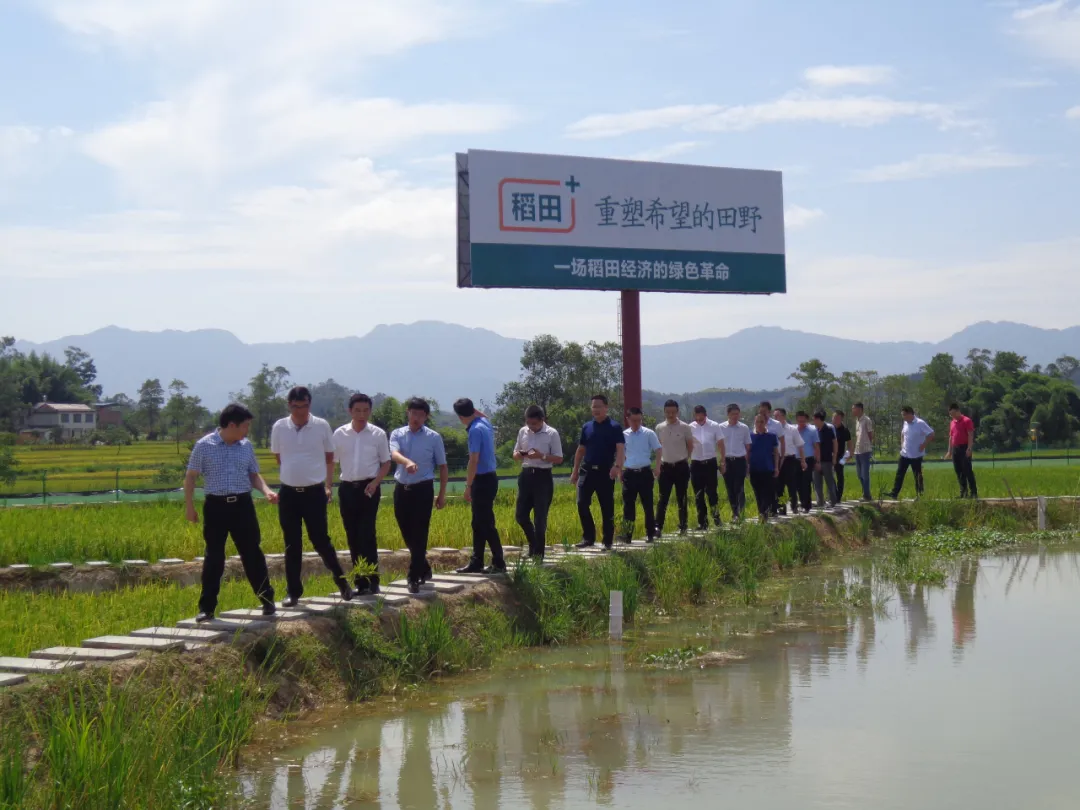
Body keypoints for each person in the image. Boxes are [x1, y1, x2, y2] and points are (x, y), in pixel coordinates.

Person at [185, 403, 276, 622]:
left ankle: (267, 600)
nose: (247, 431)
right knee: (214, 556)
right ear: (232, 425)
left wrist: (266, 490)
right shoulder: (204, 445)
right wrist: (190, 506)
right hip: (215, 506)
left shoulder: (246, 446)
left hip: (242, 505)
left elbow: (254, 474)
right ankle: (207, 608)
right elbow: (191, 476)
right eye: (245, 426)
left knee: (252, 553)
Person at [271, 386, 354, 606]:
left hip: (314, 492)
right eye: (296, 406)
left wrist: (327, 485)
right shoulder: (280, 427)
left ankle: (342, 582)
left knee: (320, 541)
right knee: (292, 544)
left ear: (310, 404)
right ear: (289, 405)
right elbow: (279, 457)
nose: (301, 411)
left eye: (305, 406)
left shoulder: (321, 426)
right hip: (288, 493)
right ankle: (293, 592)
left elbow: (329, 457)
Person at [333, 393, 391, 595]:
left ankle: (373, 580)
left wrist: (376, 482)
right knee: (352, 535)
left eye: (366, 410)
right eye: (357, 410)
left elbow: (386, 462)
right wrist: (326, 486)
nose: (362, 414)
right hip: (347, 487)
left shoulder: (378, 434)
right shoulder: (340, 434)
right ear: (350, 411)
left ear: (370, 411)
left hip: (369, 487)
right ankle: (360, 582)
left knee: (367, 534)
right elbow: (331, 461)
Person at [389, 398, 449, 592]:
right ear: (408, 412)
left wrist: (441, 494)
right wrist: (407, 462)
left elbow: (442, 466)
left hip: (423, 488)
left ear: (426, 416)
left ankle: (413, 576)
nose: (416, 418)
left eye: (421, 415)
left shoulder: (433, 437)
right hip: (402, 488)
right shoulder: (397, 433)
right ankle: (423, 565)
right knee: (406, 530)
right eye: (414, 413)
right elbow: (394, 454)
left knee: (420, 532)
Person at [454, 398, 506, 574]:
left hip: (482, 480)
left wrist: (468, 485)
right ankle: (476, 561)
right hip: (490, 478)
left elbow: (473, 460)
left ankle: (499, 561)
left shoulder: (474, 431)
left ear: (460, 417)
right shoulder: (484, 423)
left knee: (485, 523)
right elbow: (482, 414)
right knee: (477, 522)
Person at [570, 394, 625, 549]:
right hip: (587, 471)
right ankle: (588, 537)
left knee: (607, 507)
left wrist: (617, 466)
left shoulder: (614, 427)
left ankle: (607, 540)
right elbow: (580, 450)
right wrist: (574, 471)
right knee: (581, 503)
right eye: (593, 407)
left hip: (605, 472)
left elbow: (620, 449)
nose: (596, 410)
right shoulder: (586, 427)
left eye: (599, 406)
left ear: (606, 408)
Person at [513, 405, 563, 559]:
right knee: (521, 515)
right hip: (526, 475)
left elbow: (559, 458)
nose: (531, 426)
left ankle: (538, 554)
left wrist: (542, 456)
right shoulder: (523, 431)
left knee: (540, 518)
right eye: (528, 423)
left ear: (542, 420)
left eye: (534, 423)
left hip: (543, 477)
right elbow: (515, 453)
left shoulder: (551, 433)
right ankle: (533, 544)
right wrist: (521, 454)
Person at [620, 407, 662, 543]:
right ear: (628, 420)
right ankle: (627, 535)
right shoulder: (624, 435)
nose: (636, 423)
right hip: (629, 473)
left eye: (639, 420)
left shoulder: (648, 433)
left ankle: (650, 533)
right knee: (628, 506)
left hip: (644, 472)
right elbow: (620, 454)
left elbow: (658, 450)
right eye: (633, 420)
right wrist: (620, 470)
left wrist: (657, 467)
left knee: (648, 505)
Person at [655, 399, 695, 536]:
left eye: (673, 412)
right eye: (668, 412)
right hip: (665, 467)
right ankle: (657, 527)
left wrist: (685, 458)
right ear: (664, 412)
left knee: (681, 497)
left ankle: (683, 526)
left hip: (681, 466)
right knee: (662, 498)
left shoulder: (685, 427)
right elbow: (658, 447)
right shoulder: (659, 427)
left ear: (677, 412)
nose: (670, 415)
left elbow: (690, 446)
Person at [689, 405, 724, 530]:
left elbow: (720, 444)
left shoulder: (715, 425)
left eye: (701, 419)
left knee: (712, 493)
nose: (699, 421)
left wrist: (722, 461)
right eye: (697, 419)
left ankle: (716, 519)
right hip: (696, 463)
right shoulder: (690, 427)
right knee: (698, 495)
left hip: (710, 463)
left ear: (705, 415)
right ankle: (702, 522)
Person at [887, 406, 935, 499]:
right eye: (902, 415)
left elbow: (931, 434)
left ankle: (920, 495)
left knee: (917, 475)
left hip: (916, 455)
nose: (903, 417)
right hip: (904, 454)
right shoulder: (905, 423)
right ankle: (894, 493)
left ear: (910, 414)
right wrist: (902, 445)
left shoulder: (920, 423)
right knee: (899, 474)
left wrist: (924, 445)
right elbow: (902, 434)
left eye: (904, 415)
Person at [718, 404, 752, 521]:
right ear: (728, 414)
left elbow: (748, 446)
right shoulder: (721, 427)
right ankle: (734, 512)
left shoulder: (744, 428)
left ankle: (740, 513)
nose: (735, 416)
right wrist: (721, 462)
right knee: (730, 488)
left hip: (739, 460)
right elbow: (718, 446)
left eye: (737, 414)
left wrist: (747, 464)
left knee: (739, 487)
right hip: (727, 461)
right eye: (733, 414)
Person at [748, 413, 781, 522]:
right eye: (757, 422)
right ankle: (761, 513)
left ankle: (764, 513)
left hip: (768, 468)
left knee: (766, 492)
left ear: (765, 423)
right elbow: (747, 452)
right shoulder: (750, 436)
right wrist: (747, 466)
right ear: (755, 422)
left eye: (762, 422)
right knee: (757, 492)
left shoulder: (771, 436)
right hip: (754, 469)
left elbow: (776, 453)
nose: (760, 424)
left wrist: (776, 467)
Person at [773, 408, 806, 515]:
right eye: (774, 416)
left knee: (792, 485)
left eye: (777, 416)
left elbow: (800, 446)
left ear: (783, 416)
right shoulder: (772, 429)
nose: (775, 418)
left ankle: (794, 506)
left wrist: (803, 461)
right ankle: (782, 508)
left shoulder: (792, 429)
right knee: (779, 486)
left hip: (790, 459)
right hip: (777, 459)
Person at [756, 401, 787, 515]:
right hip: (762, 458)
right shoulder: (757, 422)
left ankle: (781, 507)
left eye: (765, 412)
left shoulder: (776, 424)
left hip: (774, 457)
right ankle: (770, 509)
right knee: (766, 484)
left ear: (769, 412)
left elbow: (782, 441)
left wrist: (782, 456)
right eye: (761, 411)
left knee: (777, 484)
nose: (762, 414)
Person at [945, 403, 978, 499]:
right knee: (958, 471)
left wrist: (969, 448)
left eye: (954, 413)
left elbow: (970, 435)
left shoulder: (967, 421)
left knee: (967, 471)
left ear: (958, 411)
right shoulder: (952, 423)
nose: (953, 416)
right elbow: (951, 437)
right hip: (955, 449)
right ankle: (963, 493)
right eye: (951, 414)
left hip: (964, 448)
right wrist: (949, 451)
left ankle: (974, 493)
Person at [812, 410, 839, 507]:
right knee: (817, 483)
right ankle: (820, 502)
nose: (813, 421)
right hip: (816, 461)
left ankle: (832, 501)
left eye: (814, 419)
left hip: (827, 460)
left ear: (819, 419)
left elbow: (835, 443)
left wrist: (834, 456)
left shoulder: (829, 429)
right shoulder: (815, 430)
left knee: (829, 482)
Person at [795, 411, 820, 514]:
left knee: (806, 482)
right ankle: (802, 503)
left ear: (807, 420)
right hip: (796, 459)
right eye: (799, 421)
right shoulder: (793, 430)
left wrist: (817, 461)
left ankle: (807, 505)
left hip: (808, 459)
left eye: (803, 421)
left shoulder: (812, 430)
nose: (801, 423)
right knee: (798, 483)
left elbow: (816, 447)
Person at [851, 402, 874, 501]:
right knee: (859, 474)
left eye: (854, 408)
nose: (853, 411)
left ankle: (867, 495)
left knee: (865, 474)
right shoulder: (857, 421)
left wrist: (868, 446)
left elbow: (870, 434)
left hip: (865, 451)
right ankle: (865, 493)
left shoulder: (866, 420)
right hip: (857, 451)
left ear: (860, 409)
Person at [832, 410, 852, 502]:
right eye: (834, 417)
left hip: (841, 457)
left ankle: (838, 496)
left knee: (840, 476)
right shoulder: (830, 429)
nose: (835, 419)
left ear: (841, 419)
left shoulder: (845, 430)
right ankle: (833, 495)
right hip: (830, 456)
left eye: (837, 418)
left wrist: (849, 455)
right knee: (830, 477)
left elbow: (850, 444)